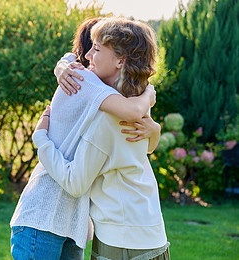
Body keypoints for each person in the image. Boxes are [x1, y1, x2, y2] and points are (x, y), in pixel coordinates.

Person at [10, 17, 161, 260]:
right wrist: (149, 95)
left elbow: (139, 145)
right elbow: (133, 112)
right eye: (91, 47)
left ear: (120, 59)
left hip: (76, 225)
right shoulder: (84, 79)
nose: (90, 55)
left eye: (98, 48)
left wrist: (154, 129)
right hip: (44, 214)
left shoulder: (111, 95)